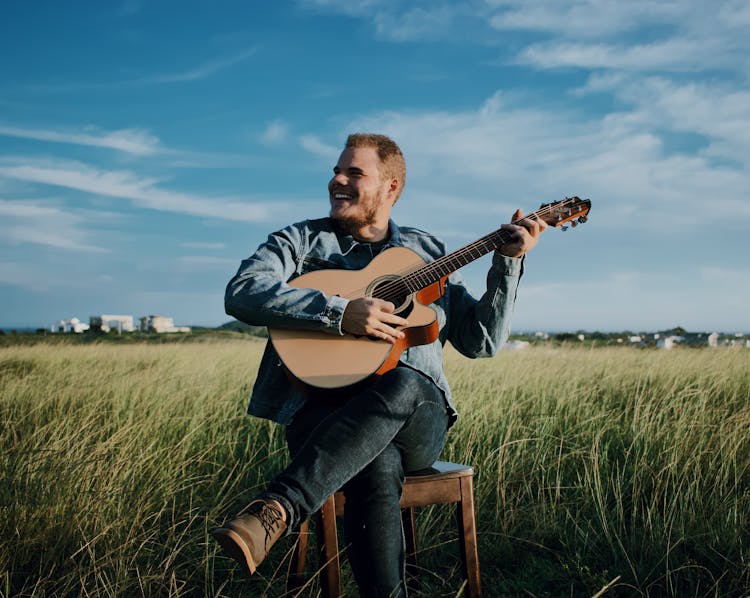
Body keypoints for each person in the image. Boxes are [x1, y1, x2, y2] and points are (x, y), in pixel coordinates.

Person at [211, 133, 546, 597]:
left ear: (391, 187)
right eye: (336, 170)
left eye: (354, 173)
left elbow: (481, 341)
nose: (337, 180)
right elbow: (242, 291)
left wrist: (508, 264)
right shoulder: (300, 240)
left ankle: (278, 507)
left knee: (405, 382)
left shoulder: (426, 253)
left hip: (416, 421)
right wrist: (337, 312)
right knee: (376, 460)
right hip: (320, 413)